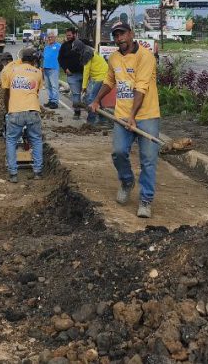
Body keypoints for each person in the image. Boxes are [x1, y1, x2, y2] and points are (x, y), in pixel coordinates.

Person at [89, 21, 161, 219]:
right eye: (116, 35)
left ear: (131, 34)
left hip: (146, 115)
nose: (119, 38)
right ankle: (127, 181)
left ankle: (145, 200)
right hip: (122, 115)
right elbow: (109, 81)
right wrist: (96, 100)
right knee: (119, 152)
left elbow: (141, 87)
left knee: (148, 160)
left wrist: (133, 117)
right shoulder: (113, 58)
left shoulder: (145, 57)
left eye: (122, 34)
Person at [1, 47, 44, 182]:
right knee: (36, 140)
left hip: (15, 111)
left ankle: (13, 174)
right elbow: (36, 92)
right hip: (33, 111)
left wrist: (7, 110)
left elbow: (6, 93)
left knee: (11, 140)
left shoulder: (11, 70)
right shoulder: (38, 72)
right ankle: (37, 172)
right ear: (34, 60)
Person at [58, 28, 92, 119]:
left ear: (75, 34)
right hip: (72, 75)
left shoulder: (83, 43)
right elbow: (60, 59)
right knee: (76, 94)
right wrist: (65, 69)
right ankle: (77, 112)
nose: (68, 37)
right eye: (67, 35)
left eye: (69, 35)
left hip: (86, 74)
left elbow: (92, 52)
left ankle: (91, 114)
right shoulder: (64, 46)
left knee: (89, 95)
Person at [82, 48, 108, 127]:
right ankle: (103, 119)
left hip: (101, 76)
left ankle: (90, 121)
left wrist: (84, 87)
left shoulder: (87, 58)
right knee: (97, 99)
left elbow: (86, 73)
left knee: (91, 98)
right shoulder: (91, 54)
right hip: (99, 76)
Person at [40, 32, 61, 109]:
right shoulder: (46, 47)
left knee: (54, 86)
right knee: (48, 86)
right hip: (46, 68)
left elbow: (62, 56)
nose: (49, 38)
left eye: (51, 37)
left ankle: (55, 102)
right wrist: (42, 66)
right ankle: (50, 100)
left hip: (54, 68)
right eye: (48, 37)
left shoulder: (59, 46)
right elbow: (44, 58)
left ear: (55, 37)